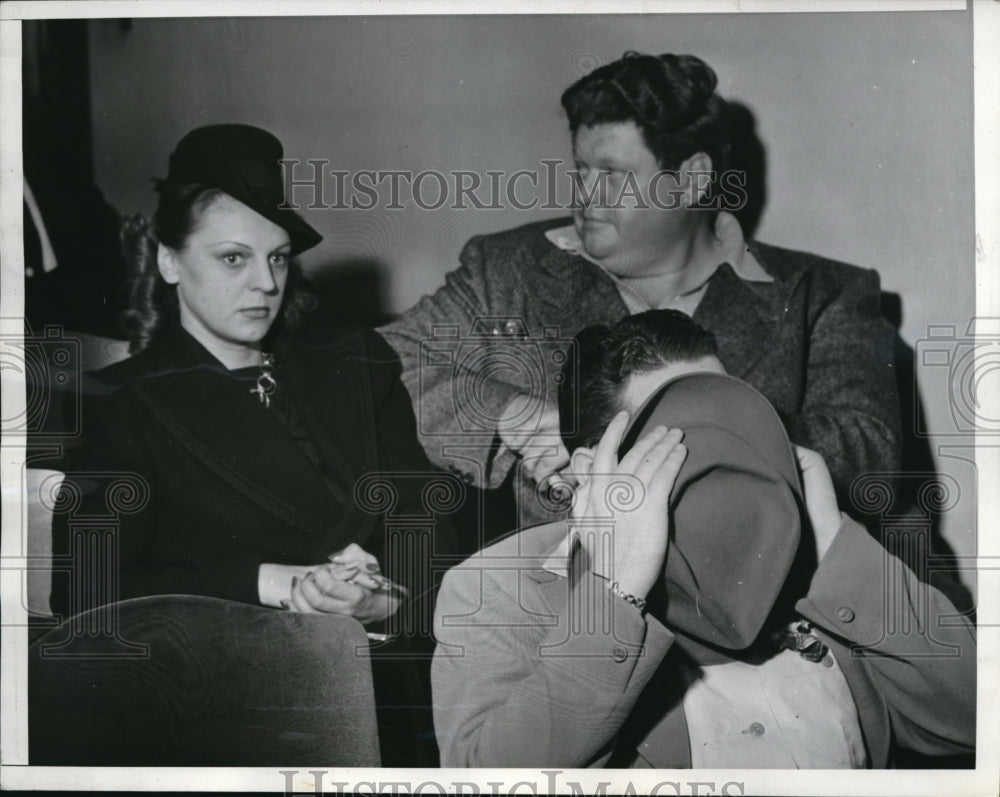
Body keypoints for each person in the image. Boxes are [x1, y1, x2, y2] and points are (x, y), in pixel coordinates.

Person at [49, 124, 455, 765]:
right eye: (233, 258)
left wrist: (389, 599)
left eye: (278, 256)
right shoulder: (116, 403)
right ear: (169, 261)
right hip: (246, 703)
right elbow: (86, 593)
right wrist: (277, 584)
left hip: (416, 676)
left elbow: (428, 514)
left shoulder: (353, 358)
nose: (265, 283)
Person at [431, 310, 975, 769]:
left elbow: (973, 722)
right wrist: (615, 592)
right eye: (682, 439)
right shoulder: (498, 590)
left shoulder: (825, 564)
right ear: (592, 471)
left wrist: (830, 543)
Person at [381, 51, 900, 530]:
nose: (585, 197)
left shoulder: (822, 293)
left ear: (692, 179)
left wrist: (653, 431)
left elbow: (869, 454)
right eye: (581, 170)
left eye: (613, 176)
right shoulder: (507, 267)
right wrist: (516, 417)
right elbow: (382, 362)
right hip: (565, 606)